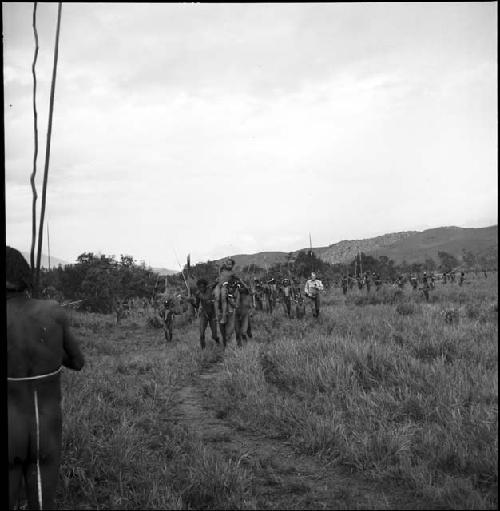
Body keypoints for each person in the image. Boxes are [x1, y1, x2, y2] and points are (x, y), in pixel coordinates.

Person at [7, 246, 85, 510]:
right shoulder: (53, 312)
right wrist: (48, 351)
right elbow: (77, 362)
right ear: (25, 277)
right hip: (45, 427)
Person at [193, 278, 220, 349]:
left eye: (203, 286)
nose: (201, 288)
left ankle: (217, 341)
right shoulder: (198, 294)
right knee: (201, 333)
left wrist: (218, 280)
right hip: (204, 314)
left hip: (212, 314)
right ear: (198, 287)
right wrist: (191, 302)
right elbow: (197, 305)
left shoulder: (210, 289)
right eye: (200, 287)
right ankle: (203, 349)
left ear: (205, 286)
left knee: (214, 336)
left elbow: (215, 283)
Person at [235, 279, 253, 346]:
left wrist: (241, 281)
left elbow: (248, 289)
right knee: (237, 331)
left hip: (245, 312)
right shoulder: (235, 292)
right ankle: (239, 345)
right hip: (236, 314)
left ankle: (246, 343)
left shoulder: (246, 292)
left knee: (244, 331)